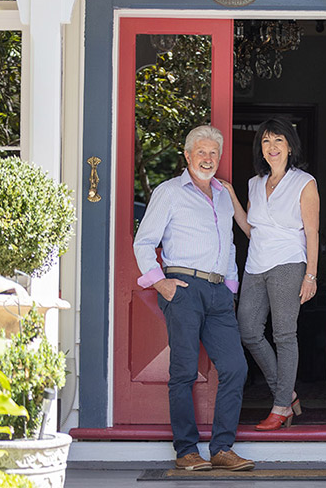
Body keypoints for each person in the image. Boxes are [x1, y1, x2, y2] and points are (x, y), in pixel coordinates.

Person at [133, 125, 254, 472]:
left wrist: (231, 286)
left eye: (213, 153)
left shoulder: (222, 194)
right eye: (201, 152)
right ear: (187, 156)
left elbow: (228, 243)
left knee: (235, 367)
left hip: (219, 293)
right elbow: (144, 242)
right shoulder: (169, 192)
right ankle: (186, 450)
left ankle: (222, 449)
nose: (208, 158)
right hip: (183, 288)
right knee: (184, 371)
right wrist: (161, 284)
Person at [222, 117, 320, 431]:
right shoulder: (254, 183)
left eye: (278, 140)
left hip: (289, 263)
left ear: (290, 146)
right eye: (266, 141)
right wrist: (232, 198)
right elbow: (252, 229)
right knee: (248, 330)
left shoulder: (304, 182)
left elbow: (312, 232)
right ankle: (287, 392)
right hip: (255, 265)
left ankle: (280, 407)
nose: (272, 147)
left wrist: (311, 276)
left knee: (284, 335)